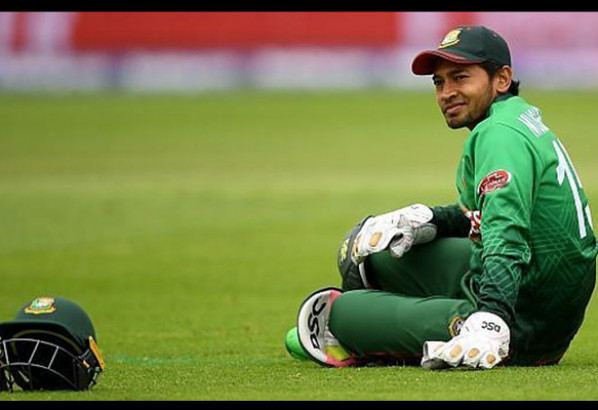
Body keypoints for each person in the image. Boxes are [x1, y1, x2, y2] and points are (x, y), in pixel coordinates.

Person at [285, 25, 597, 370]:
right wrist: (433, 220)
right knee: (370, 257)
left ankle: (471, 327)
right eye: (439, 82)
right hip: (542, 289)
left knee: (333, 317)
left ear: (502, 79)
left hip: (523, 321)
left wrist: (492, 319)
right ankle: (431, 315)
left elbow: (506, 234)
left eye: (460, 78)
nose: (447, 93)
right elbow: (494, 214)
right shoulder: (517, 118)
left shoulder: (498, 134)